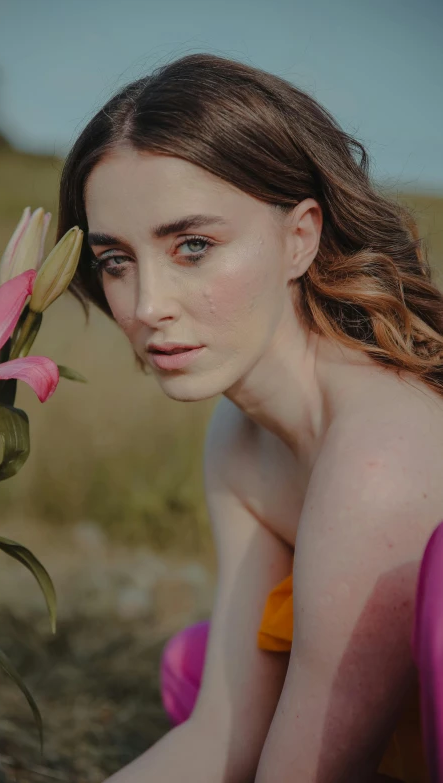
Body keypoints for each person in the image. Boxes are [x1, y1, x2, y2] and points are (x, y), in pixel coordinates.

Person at [56, 53, 443, 782]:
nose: (145, 305)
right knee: (198, 667)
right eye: (115, 260)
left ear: (300, 237)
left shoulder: (380, 452)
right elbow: (224, 735)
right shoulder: (240, 435)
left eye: (193, 246)